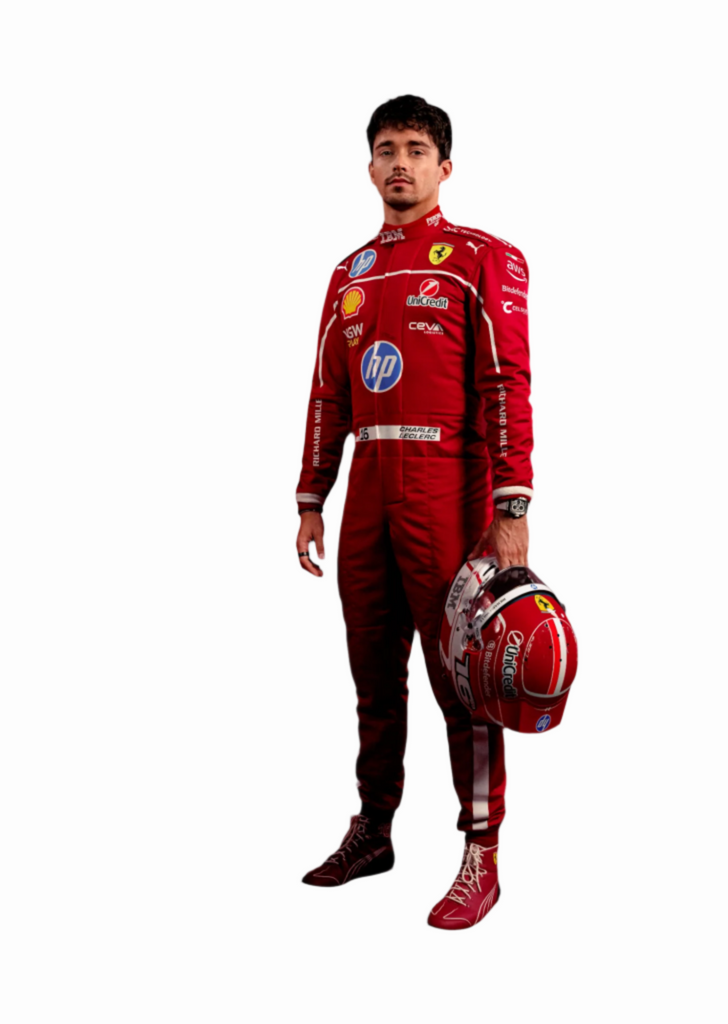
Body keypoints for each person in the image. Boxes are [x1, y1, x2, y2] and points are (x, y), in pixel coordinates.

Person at [294, 95, 534, 930]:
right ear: (369, 167)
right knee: (372, 674)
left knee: (465, 676)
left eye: (417, 149)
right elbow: (328, 393)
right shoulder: (349, 275)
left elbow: (507, 384)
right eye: (387, 148)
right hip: (368, 488)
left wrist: (512, 505)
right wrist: (311, 497)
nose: (401, 161)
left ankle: (481, 851)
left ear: (445, 167)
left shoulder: (481, 258)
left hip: (448, 485)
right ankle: (374, 829)